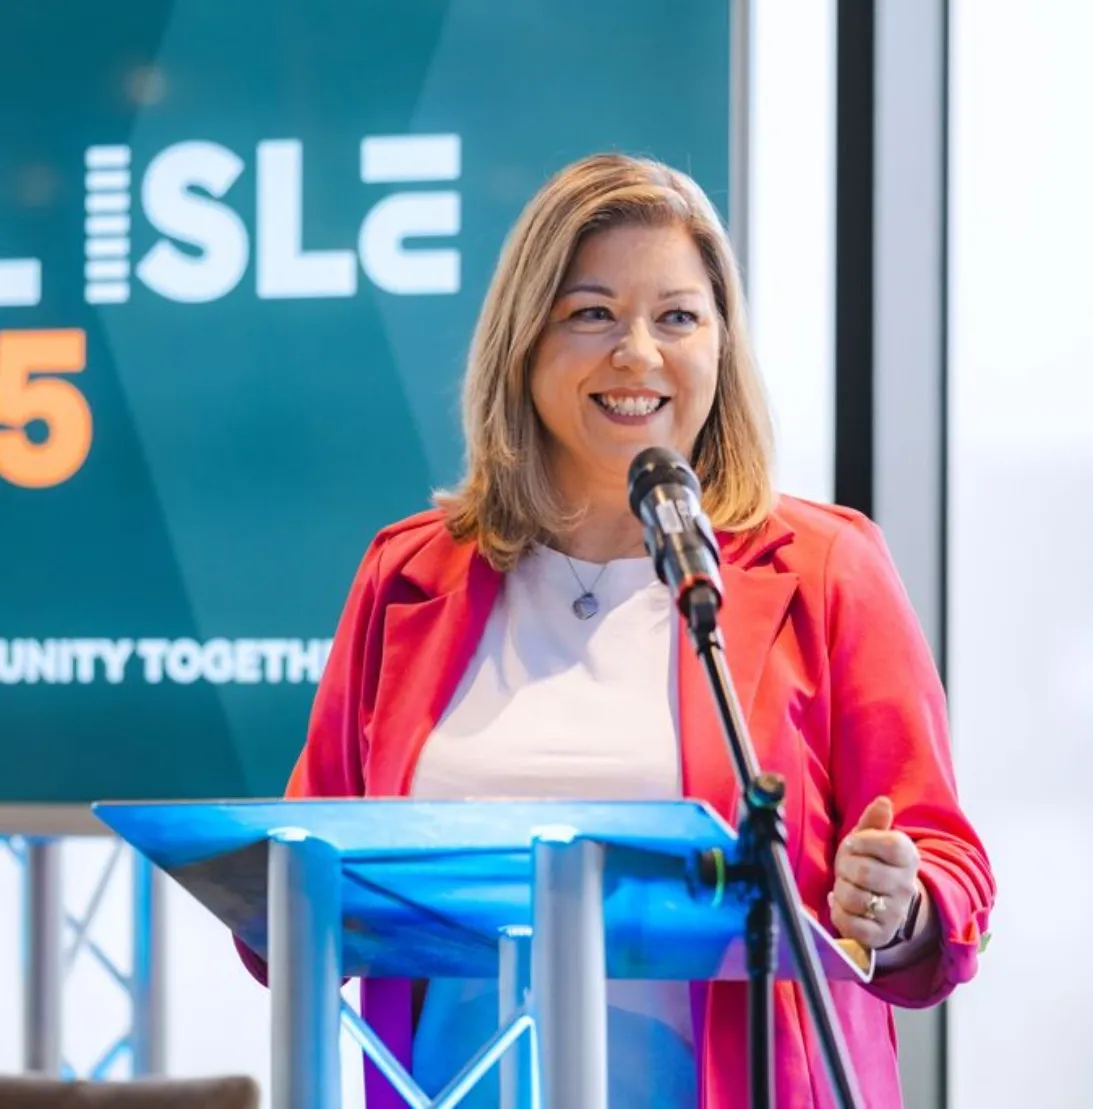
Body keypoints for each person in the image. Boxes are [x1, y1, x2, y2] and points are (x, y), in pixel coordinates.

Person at [236, 152, 995, 1108]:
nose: (637, 352)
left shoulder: (824, 566)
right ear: (523, 340)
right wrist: (262, 900)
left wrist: (900, 903)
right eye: (591, 311)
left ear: (721, 343)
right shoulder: (407, 575)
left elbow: (945, 864)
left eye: (677, 316)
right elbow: (296, 880)